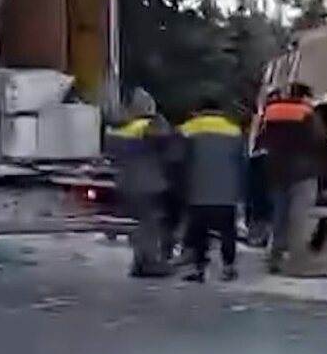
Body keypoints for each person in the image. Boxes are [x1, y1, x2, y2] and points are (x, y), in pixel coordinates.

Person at [256, 82, 327, 276]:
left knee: (280, 217)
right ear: (305, 96)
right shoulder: (307, 113)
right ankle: (297, 262)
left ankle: (274, 260)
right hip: (303, 172)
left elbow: (261, 141)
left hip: (276, 171)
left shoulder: (271, 112)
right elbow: (320, 141)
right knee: (299, 219)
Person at [105, 89, 176, 278]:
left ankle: (140, 260)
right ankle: (149, 262)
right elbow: (166, 141)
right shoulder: (149, 126)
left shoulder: (117, 130)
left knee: (137, 225)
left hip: (125, 182)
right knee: (150, 224)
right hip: (148, 183)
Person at [178, 98, 246, 282]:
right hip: (227, 193)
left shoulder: (187, 129)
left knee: (199, 232)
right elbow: (242, 163)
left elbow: (179, 161)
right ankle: (229, 267)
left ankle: (199, 269)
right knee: (227, 232)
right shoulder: (234, 130)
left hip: (197, 191)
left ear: (199, 110)